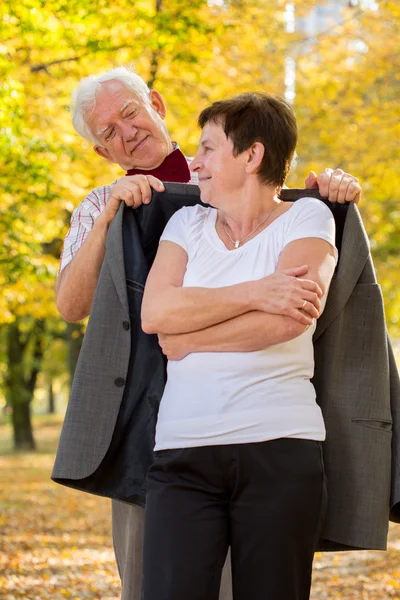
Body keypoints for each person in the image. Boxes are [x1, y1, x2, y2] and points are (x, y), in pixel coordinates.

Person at [55, 67, 362, 599]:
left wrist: (334, 187)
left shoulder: (223, 168)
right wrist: (108, 219)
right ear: (103, 154)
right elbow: (71, 305)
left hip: (264, 418)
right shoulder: (109, 207)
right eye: (108, 133)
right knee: (153, 578)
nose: (125, 133)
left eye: (129, 114)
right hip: (147, 422)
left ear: (156, 104)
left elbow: (278, 189)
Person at [140, 92, 337, 600]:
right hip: (182, 452)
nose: (195, 163)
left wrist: (189, 338)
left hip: (280, 448)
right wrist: (255, 292)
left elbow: (290, 321)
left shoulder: (308, 219)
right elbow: (156, 314)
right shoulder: (186, 224)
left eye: (207, 149)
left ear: (251, 156)